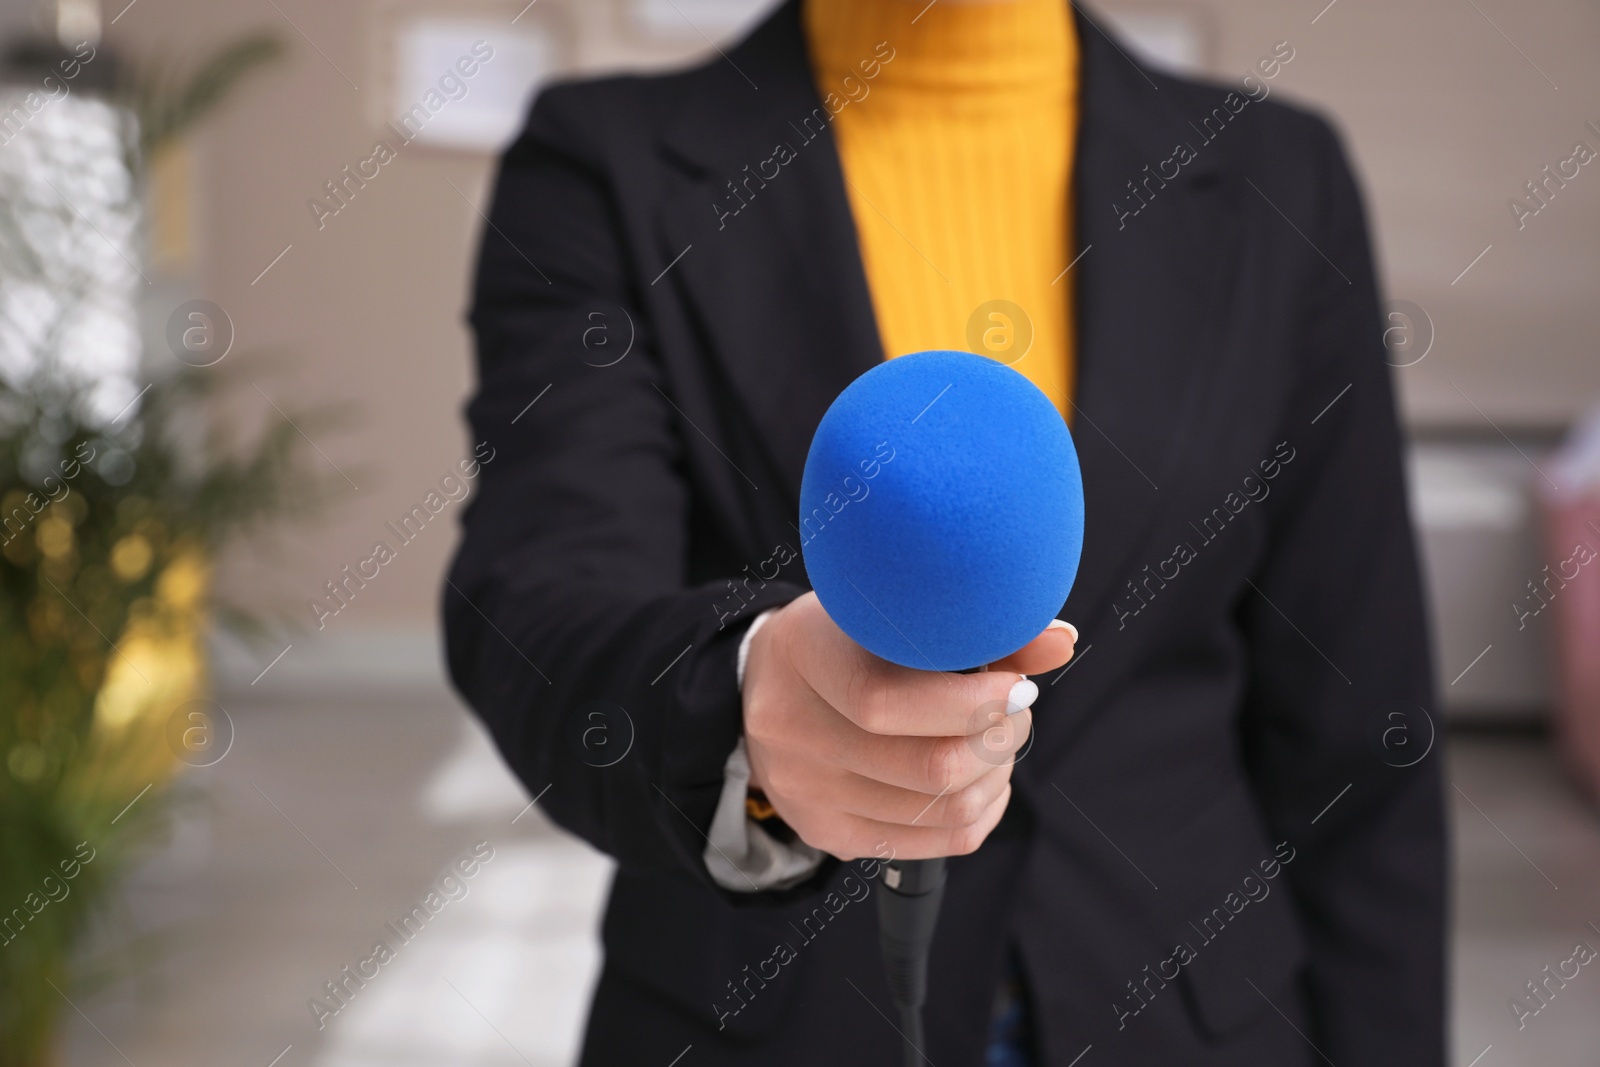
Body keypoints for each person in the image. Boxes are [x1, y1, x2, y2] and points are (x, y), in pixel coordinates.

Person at [443, 1, 1446, 1063]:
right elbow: (539, 601)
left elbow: (1358, 733)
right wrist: (743, 712)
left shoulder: (1277, 177)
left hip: (1189, 1014)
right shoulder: (602, 164)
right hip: (764, 1018)